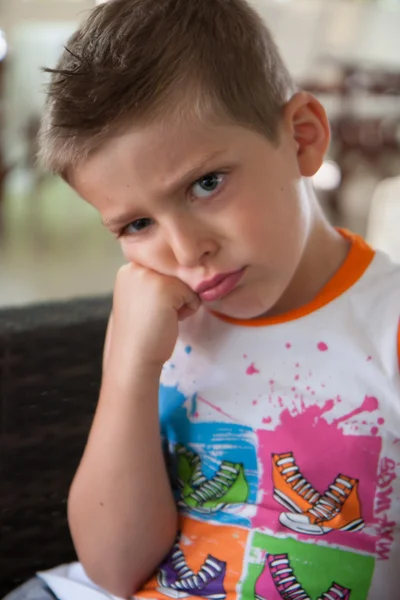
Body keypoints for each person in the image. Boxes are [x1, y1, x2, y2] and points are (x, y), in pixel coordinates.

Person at [5, 0, 400, 598]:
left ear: (302, 139)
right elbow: (114, 569)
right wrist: (129, 370)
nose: (187, 251)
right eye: (137, 225)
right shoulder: (158, 320)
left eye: (205, 184)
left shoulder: (386, 325)